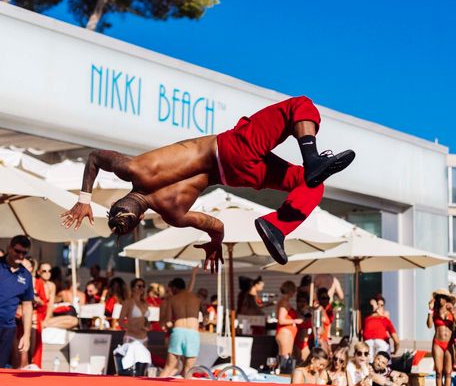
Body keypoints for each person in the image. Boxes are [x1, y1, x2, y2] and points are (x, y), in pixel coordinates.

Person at [61, 96, 356, 271]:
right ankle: (311, 160)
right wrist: (84, 198)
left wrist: (215, 246)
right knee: (299, 106)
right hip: (229, 150)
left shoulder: (172, 214)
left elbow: (217, 226)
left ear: (139, 222)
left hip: (236, 176)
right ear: (119, 202)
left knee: (312, 184)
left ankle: (278, 227)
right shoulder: (135, 169)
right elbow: (95, 157)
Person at [0, 235, 34, 368]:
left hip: (7, 328)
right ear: (9, 248)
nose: (20, 255)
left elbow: (27, 306)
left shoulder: (26, 275)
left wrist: (26, 335)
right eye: (17, 251)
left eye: (24, 253)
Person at [160, 277, 202, 377]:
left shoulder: (173, 299)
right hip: (193, 333)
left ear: (174, 288)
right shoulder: (196, 299)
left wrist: (167, 327)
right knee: (188, 369)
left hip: (178, 331)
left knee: (169, 367)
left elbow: (168, 322)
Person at [426, 289, 455, 386]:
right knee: (438, 372)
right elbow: (429, 325)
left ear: (447, 299)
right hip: (438, 343)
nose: (440, 299)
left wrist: (453, 312)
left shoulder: (452, 310)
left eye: (443, 297)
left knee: (448, 372)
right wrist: (430, 310)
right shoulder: (435, 311)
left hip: (449, 344)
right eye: (439, 297)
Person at [275, 280, 302, 373]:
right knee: (285, 358)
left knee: (284, 357)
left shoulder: (282, 302)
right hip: (285, 333)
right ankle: (283, 379)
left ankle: (282, 375)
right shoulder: (284, 303)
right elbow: (281, 320)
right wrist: (295, 321)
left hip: (285, 333)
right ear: (290, 291)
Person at [363, 295, 399, 362]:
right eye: (378, 305)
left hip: (368, 342)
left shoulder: (366, 320)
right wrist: (395, 351)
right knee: (384, 364)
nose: (379, 307)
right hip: (381, 341)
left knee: (368, 365)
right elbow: (396, 340)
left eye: (382, 305)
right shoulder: (384, 319)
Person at [119, 278, 150, 344]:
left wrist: (148, 326)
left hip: (144, 337)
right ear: (132, 288)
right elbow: (121, 321)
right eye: (139, 286)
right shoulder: (128, 302)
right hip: (132, 337)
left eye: (143, 286)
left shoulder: (145, 303)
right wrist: (133, 328)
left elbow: (145, 320)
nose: (141, 288)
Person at [314, 287, 334, 356]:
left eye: (327, 298)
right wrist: (318, 344)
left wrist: (329, 346)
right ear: (319, 299)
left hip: (325, 341)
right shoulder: (319, 310)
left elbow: (328, 332)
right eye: (323, 298)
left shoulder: (326, 311)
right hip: (320, 341)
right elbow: (316, 330)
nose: (326, 300)